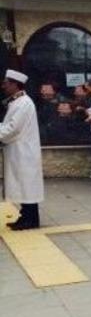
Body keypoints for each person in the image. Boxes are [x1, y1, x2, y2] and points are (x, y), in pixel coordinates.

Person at [0, 70, 44, 230]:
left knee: (27, 185)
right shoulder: (17, 102)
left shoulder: (24, 103)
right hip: (18, 150)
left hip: (24, 151)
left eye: (6, 83)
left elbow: (13, 128)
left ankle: (31, 220)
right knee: (23, 185)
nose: (3, 86)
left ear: (15, 84)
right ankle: (26, 216)